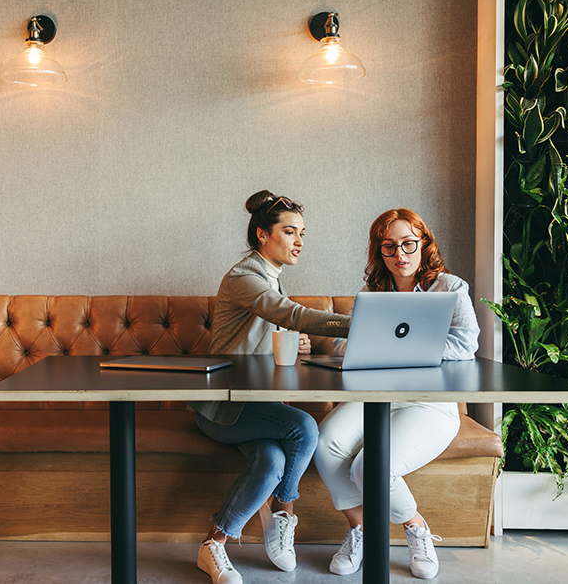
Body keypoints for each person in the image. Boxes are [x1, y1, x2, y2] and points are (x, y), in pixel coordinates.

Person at [190, 190, 351, 584]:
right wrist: (358, 321)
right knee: (304, 427)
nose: (299, 242)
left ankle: (212, 545)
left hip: (253, 403)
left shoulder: (269, 280)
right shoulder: (245, 277)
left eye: (302, 233)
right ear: (263, 235)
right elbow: (288, 314)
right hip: (222, 405)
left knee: (273, 461)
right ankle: (285, 513)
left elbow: (272, 324)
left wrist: (294, 339)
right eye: (290, 231)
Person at [314, 208, 479, 579]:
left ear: (424, 244)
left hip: (430, 403)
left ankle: (416, 527)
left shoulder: (450, 288)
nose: (400, 254)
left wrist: (398, 351)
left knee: (368, 467)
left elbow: (466, 345)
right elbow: (348, 347)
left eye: (408, 244)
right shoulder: (374, 294)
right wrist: (356, 346)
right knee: (325, 443)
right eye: (389, 247)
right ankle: (360, 529)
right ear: (379, 252)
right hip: (374, 399)